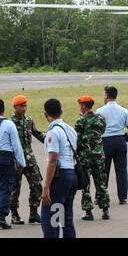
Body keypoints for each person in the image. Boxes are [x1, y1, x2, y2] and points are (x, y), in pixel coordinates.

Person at [0, 98, 26, 229]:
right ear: (3, 110)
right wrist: (21, 163)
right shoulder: (9, 124)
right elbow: (16, 146)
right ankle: (2, 217)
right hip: (5, 158)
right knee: (5, 186)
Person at [41, 98, 78, 238]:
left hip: (59, 178)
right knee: (66, 219)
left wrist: (46, 187)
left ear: (46, 114)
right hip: (71, 175)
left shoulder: (52, 133)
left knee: (51, 220)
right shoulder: (70, 130)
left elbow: (53, 160)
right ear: (61, 111)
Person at [9, 95, 45, 225]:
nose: (24, 108)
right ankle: (14, 213)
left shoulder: (29, 120)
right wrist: (12, 161)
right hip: (16, 160)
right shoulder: (10, 123)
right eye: (21, 106)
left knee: (37, 184)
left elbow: (38, 134)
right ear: (15, 107)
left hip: (30, 159)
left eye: (25, 106)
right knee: (15, 187)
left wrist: (50, 140)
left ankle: (33, 212)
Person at [96, 86, 128, 204]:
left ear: (106, 96)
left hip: (105, 142)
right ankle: (122, 197)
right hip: (120, 140)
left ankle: (101, 196)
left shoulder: (100, 111)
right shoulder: (123, 110)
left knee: (103, 170)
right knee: (121, 170)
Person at [75, 96, 110, 221]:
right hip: (99, 155)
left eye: (81, 105)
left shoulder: (80, 121)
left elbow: (77, 140)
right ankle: (105, 209)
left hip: (85, 156)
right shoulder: (101, 118)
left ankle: (88, 211)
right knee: (101, 182)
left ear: (84, 106)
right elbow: (102, 131)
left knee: (86, 184)